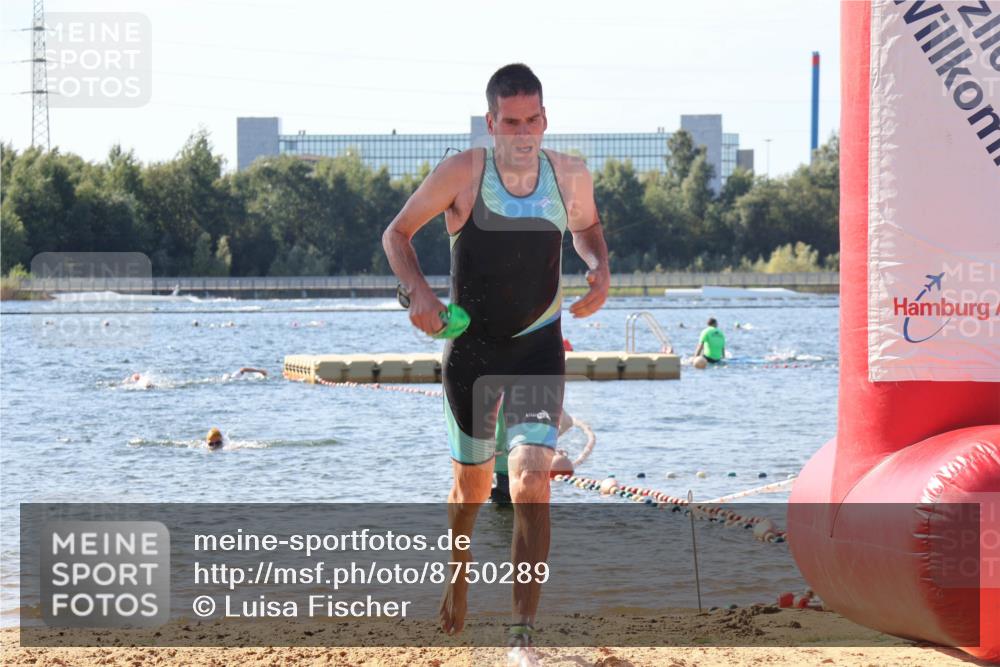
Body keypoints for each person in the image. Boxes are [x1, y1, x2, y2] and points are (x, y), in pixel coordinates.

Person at [382, 63, 610, 659]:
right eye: (511, 121)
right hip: (473, 356)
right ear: (491, 122)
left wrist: (599, 268)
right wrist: (419, 295)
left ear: (545, 118)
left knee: (533, 480)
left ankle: (520, 637)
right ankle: (457, 568)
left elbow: (587, 228)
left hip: (537, 346)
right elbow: (396, 234)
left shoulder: (571, 175)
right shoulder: (462, 171)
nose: (523, 132)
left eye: (533, 119)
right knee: (472, 491)